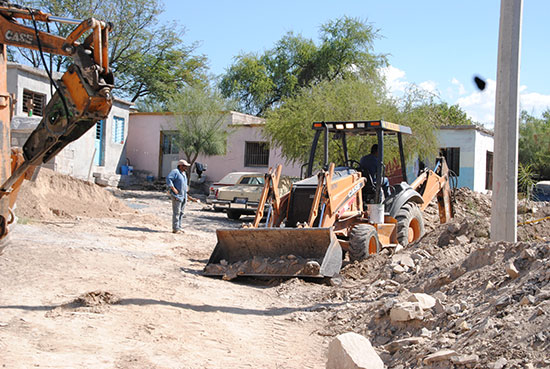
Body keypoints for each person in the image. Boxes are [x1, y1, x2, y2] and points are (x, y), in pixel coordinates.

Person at [166, 159, 190, 234]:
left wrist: (186, 188)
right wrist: (173, 188)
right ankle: (175, 228)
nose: (185, 167)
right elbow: (168, 179)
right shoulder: (175, 172)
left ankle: (179, 227)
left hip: (183, 195)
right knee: (176, 212)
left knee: (181, 212)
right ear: (180, 166)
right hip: (177, 195)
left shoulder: (184, 173)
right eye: (184, 166)